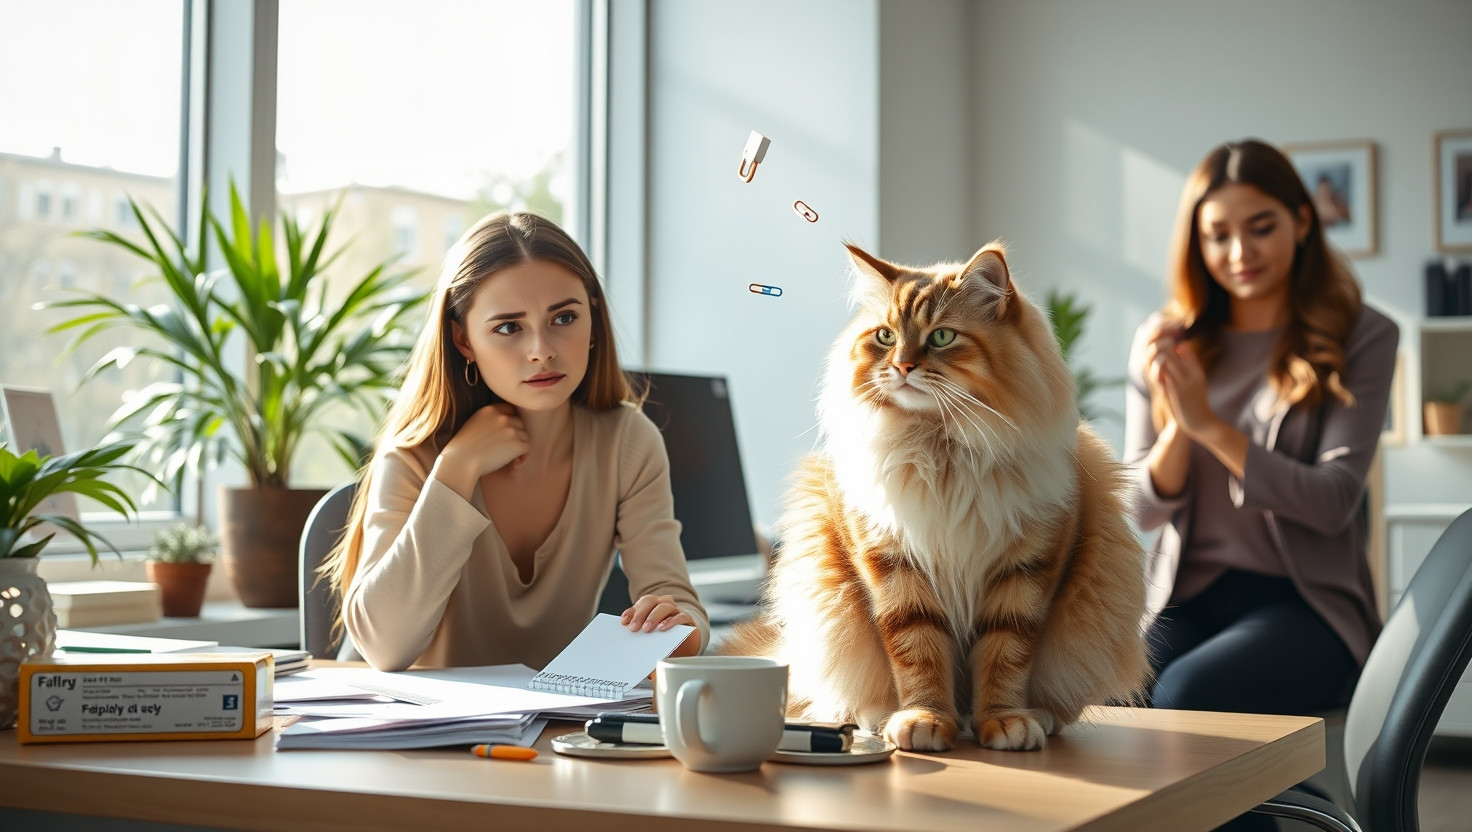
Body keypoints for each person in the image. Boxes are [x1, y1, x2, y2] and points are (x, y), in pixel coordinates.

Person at [322, 212, 709, 671]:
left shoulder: (627, 441)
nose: (542, 350)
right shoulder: (415, 451)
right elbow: (385, 649)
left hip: (553, 714)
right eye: (509, 327)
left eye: (564, 317)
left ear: (593, 320)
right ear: (463, 340)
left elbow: (679, 604)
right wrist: (456, 469)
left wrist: (676, 627)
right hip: (411, 715)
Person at [1125, 139, 1398, 720]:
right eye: (1218, 235)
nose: (1239, 252)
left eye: (1261, 227)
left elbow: (1334, 501)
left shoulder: (1363, 335)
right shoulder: (1164, 341)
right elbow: (1140, 510)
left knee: (1186, 695)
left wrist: (1208, 425)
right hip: (1186, 599)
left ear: (1302, 222)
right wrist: (1181, 427)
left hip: (1307, 607)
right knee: (1101, 694)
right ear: (1197, 244)